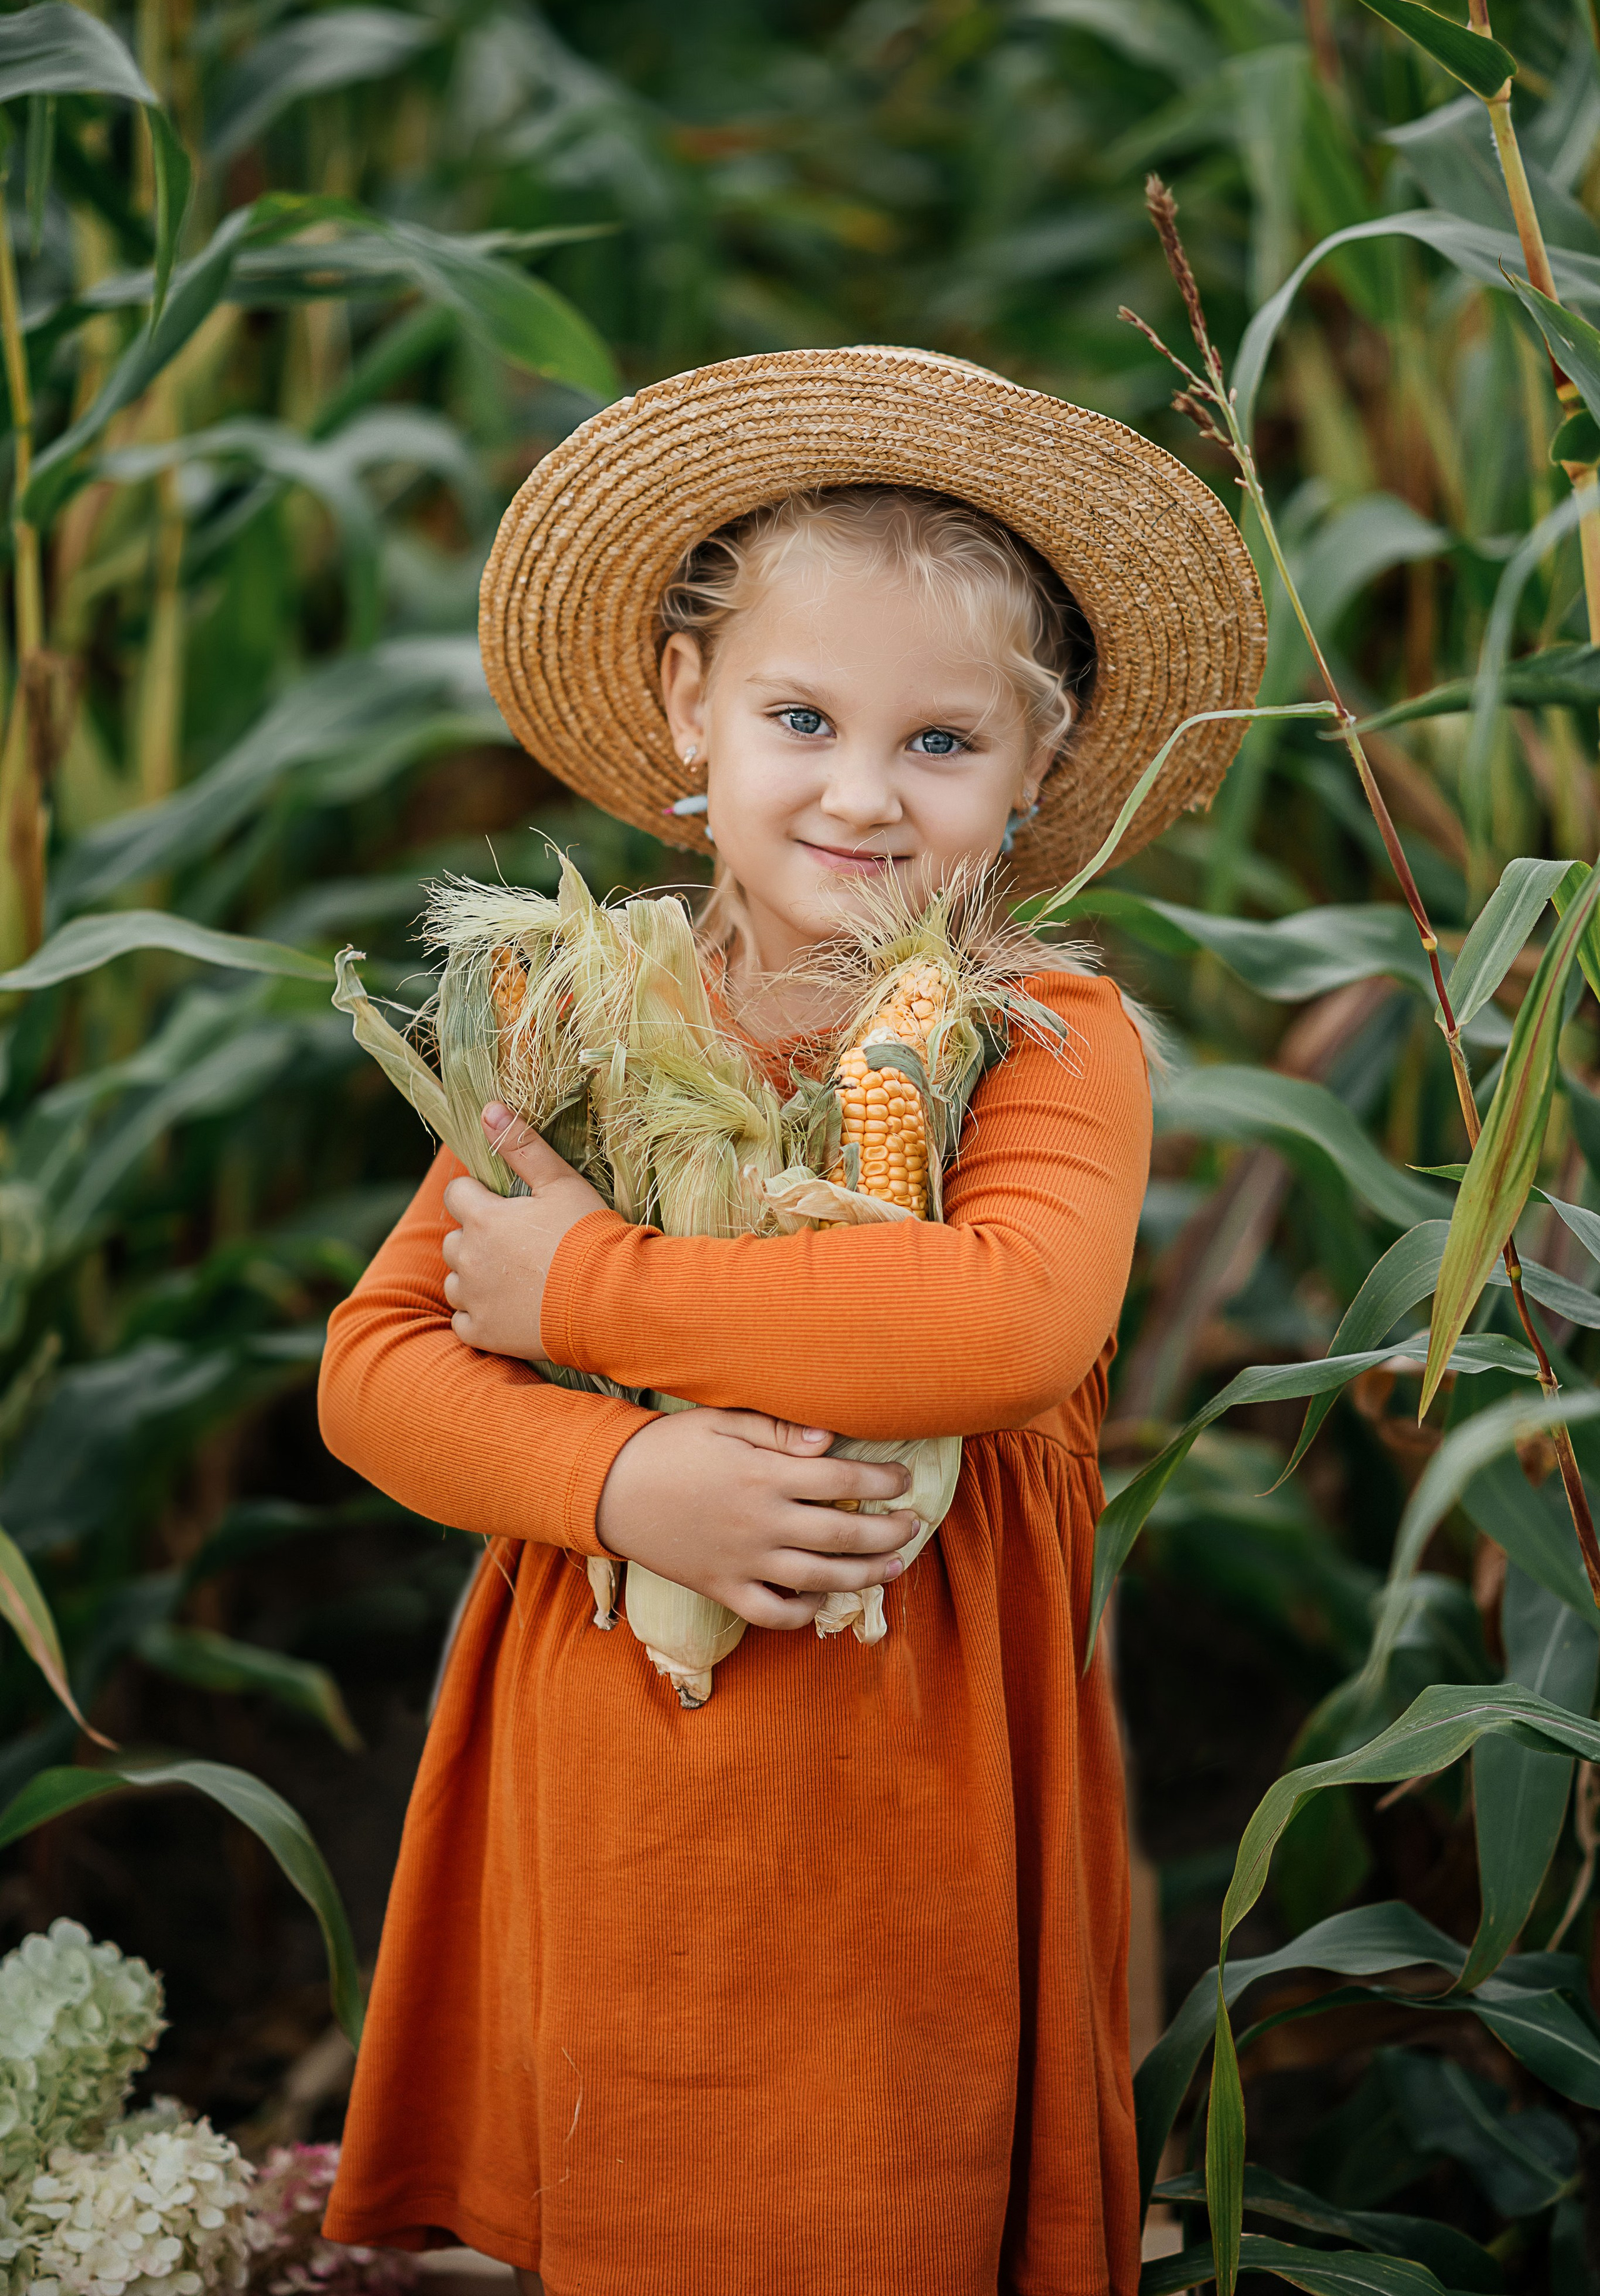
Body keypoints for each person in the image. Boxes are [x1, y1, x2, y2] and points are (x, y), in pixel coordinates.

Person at [318, 346, 1266, 2296]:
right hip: (620, 1769)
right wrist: (623, 1471)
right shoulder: (583, 1019)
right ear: (694, 704)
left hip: (901, 1780)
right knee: (639, 2178)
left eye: (940, 744)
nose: (860, 790)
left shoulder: (1044, 1041)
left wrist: (593, 1290)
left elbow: (994, 1326)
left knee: (867, 2195)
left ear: (1037, 764)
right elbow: (381, 1366)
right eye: (802, 716)